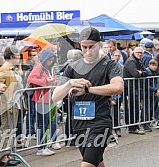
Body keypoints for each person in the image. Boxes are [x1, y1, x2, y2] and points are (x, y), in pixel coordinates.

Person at [52, 27, 123, 167]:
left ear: (100, 45)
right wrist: (70, 83)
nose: (88, 51)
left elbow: (118, 87)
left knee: (87, 165)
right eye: (84, 47)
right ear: (80, 45)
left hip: (100, 123)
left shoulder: (109, 65)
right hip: (79, 124)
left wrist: (88, 89)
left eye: (92, 47)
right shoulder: (72, 67)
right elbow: (55, 97)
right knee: (97, 162)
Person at [123, 47, 148, 134]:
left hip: (135, 87)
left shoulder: (139, 61)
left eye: (141, 53)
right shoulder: (131, 61)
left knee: (136, 107)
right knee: (133, 107)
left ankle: (134, 126)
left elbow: (146, 73)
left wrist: (141, 72)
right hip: (129, 88)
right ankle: (132, 127)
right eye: (138, 52)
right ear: (134, 52)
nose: (140, 54)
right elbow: (135, 74)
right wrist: (140, 72)